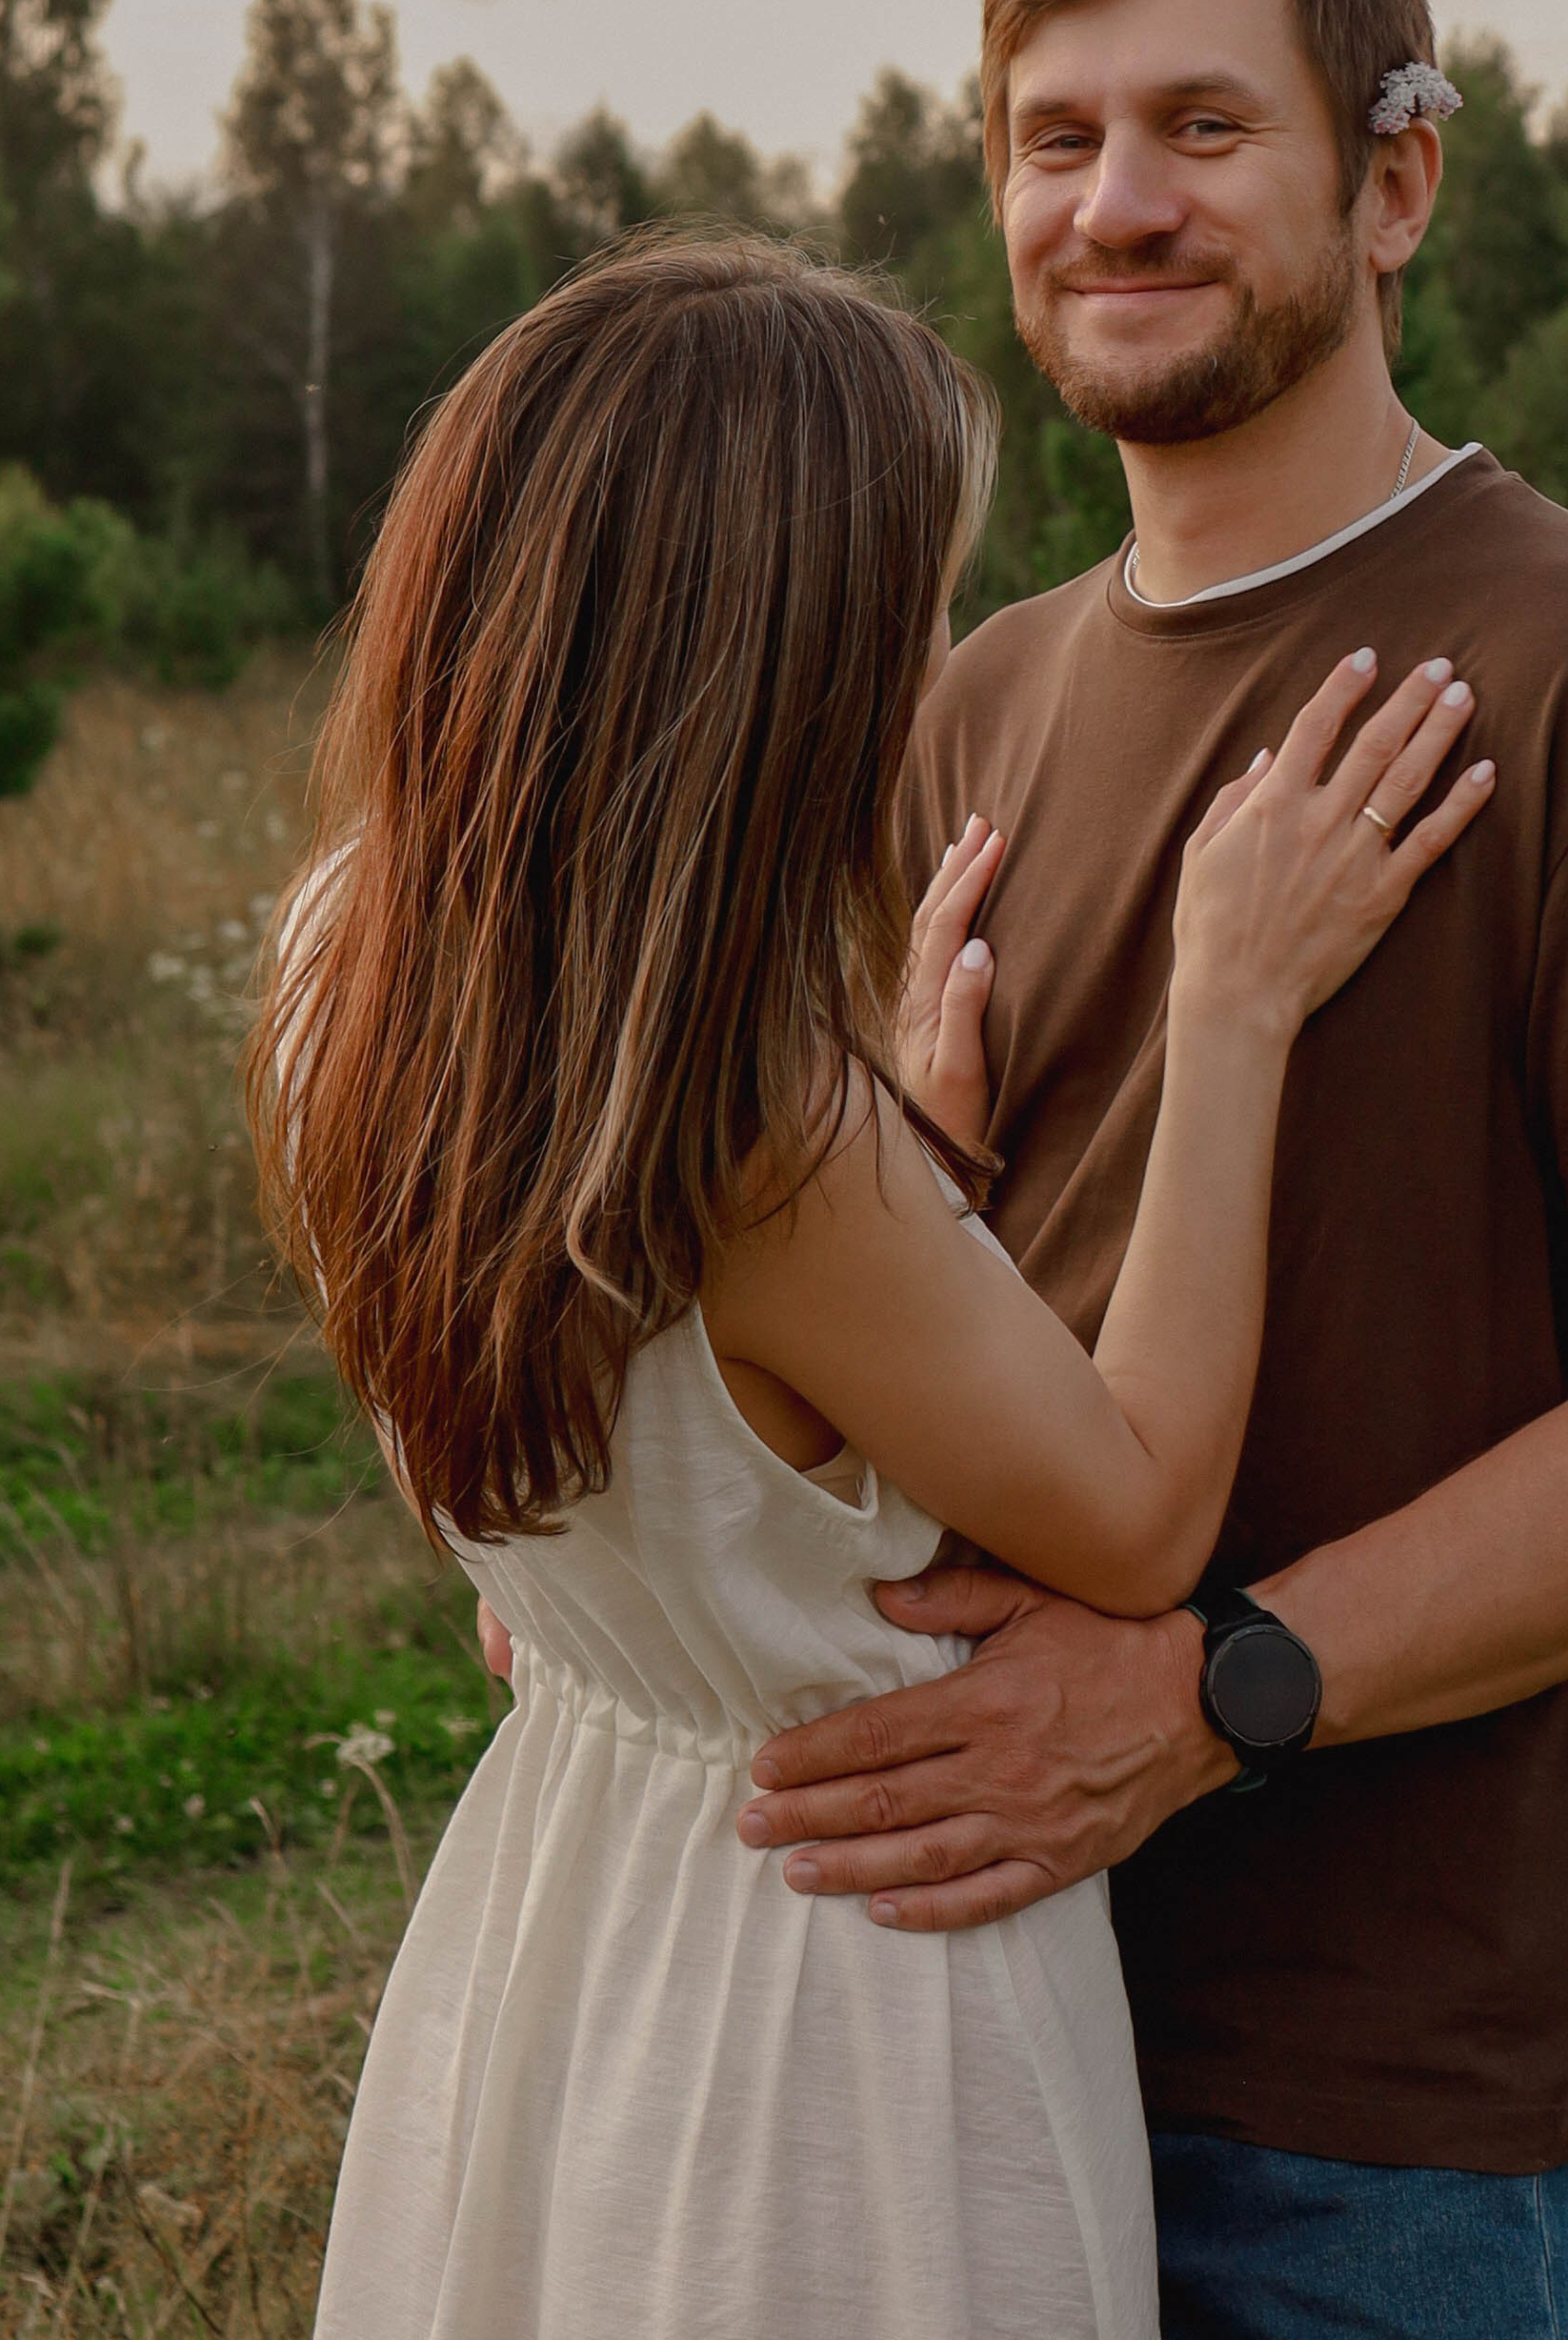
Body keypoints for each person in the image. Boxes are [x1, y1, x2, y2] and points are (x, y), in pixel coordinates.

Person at [730, 0, 1568, 2340]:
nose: (1114, 204)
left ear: (1394, 182)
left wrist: (1210, 1696)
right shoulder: (971, 708)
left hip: (1351, 2115)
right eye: (1052, 139)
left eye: (1203, 127)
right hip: (930, 2011)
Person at [251, 229, 1493, 2340]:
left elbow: (669, 1424)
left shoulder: (348, 962)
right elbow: (1139, 1505)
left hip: (564, 1924)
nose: (939, 660)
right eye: (912, 610)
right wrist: (1233, 1011)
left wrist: (903, 1160)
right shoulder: (761, 1140)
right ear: (779, 662)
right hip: (829, 2004)